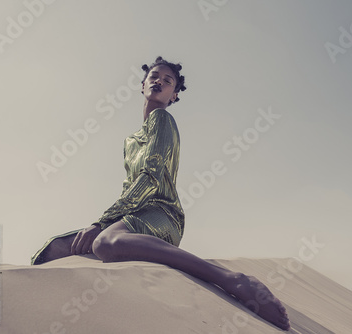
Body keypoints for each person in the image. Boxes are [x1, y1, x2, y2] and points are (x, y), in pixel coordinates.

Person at [31, 56, 290, 330]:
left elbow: (151, 176)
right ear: (142, 84)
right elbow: (130, 186)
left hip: (162, 213)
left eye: (168, 81)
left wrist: (101, 222)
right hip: (132, 215)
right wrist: (106, 222)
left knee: (104, 243)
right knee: (52, 250)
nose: (159, 82)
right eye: (154, 76)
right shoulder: (130, 141)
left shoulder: (162, 119)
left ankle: (232, 279)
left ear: (174, 96)